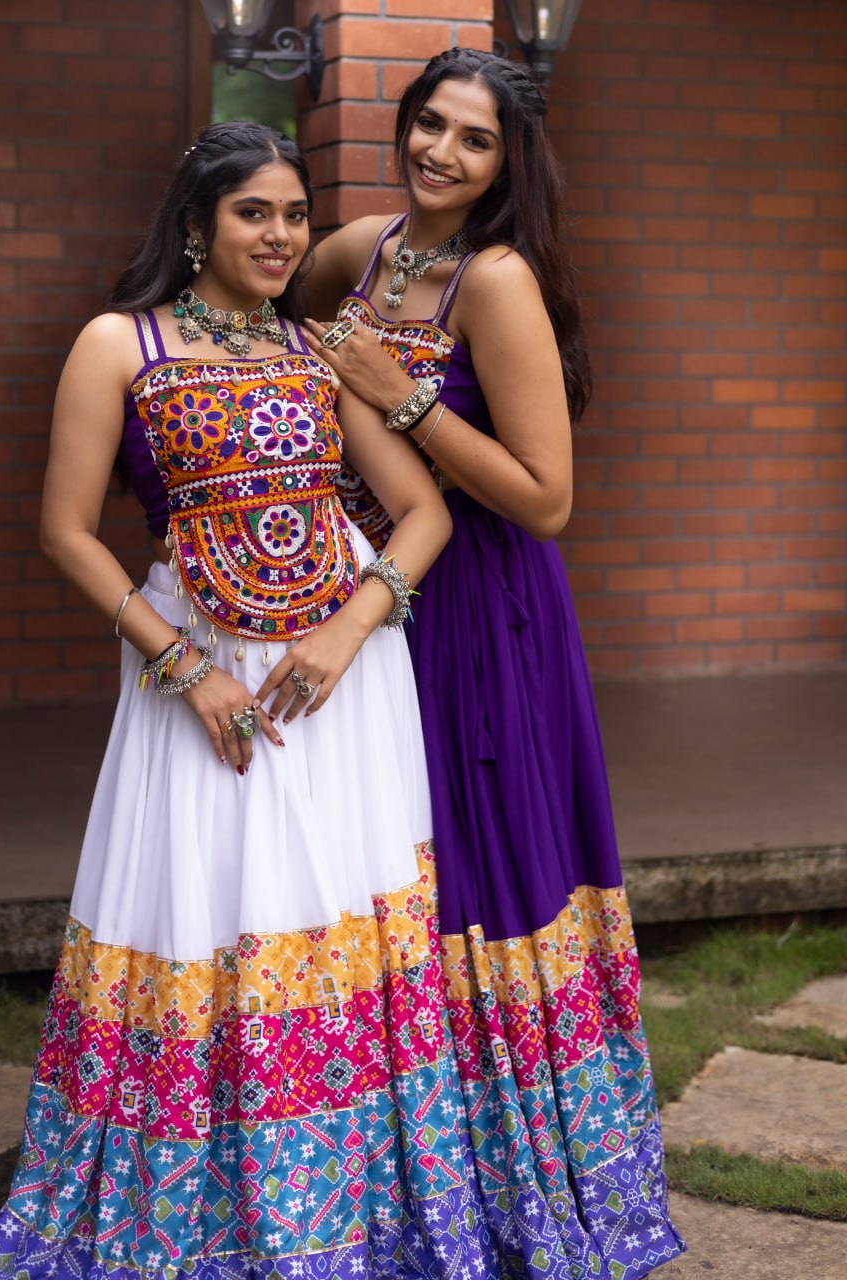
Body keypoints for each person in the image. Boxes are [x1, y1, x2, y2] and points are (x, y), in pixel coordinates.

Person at [0, 119, 541, 1280]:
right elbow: (67, 531)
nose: (279, 235)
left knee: (332, 910)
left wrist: (346, 629)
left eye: (294, 215)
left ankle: (338, 1199)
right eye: (252, 212)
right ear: (196, 223)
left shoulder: (323, 350)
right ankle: (200, 1202)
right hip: (198, 669)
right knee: (203, 906)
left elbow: (424, 515)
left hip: (343, 693)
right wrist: (186, 668)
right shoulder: (120, 344)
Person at [302, 48, 687, 1279]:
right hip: (371, 603)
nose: (440, 153)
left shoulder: (496, 278)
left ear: (506, 164)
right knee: (386, 867)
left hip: (482, 616)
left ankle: (515, 1181)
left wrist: (398, 400)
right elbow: (263, 298)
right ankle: (393, 1165)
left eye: (473, 139)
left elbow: (546, 497)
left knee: (478, 865)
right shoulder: (359, 248)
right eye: (429, 124)